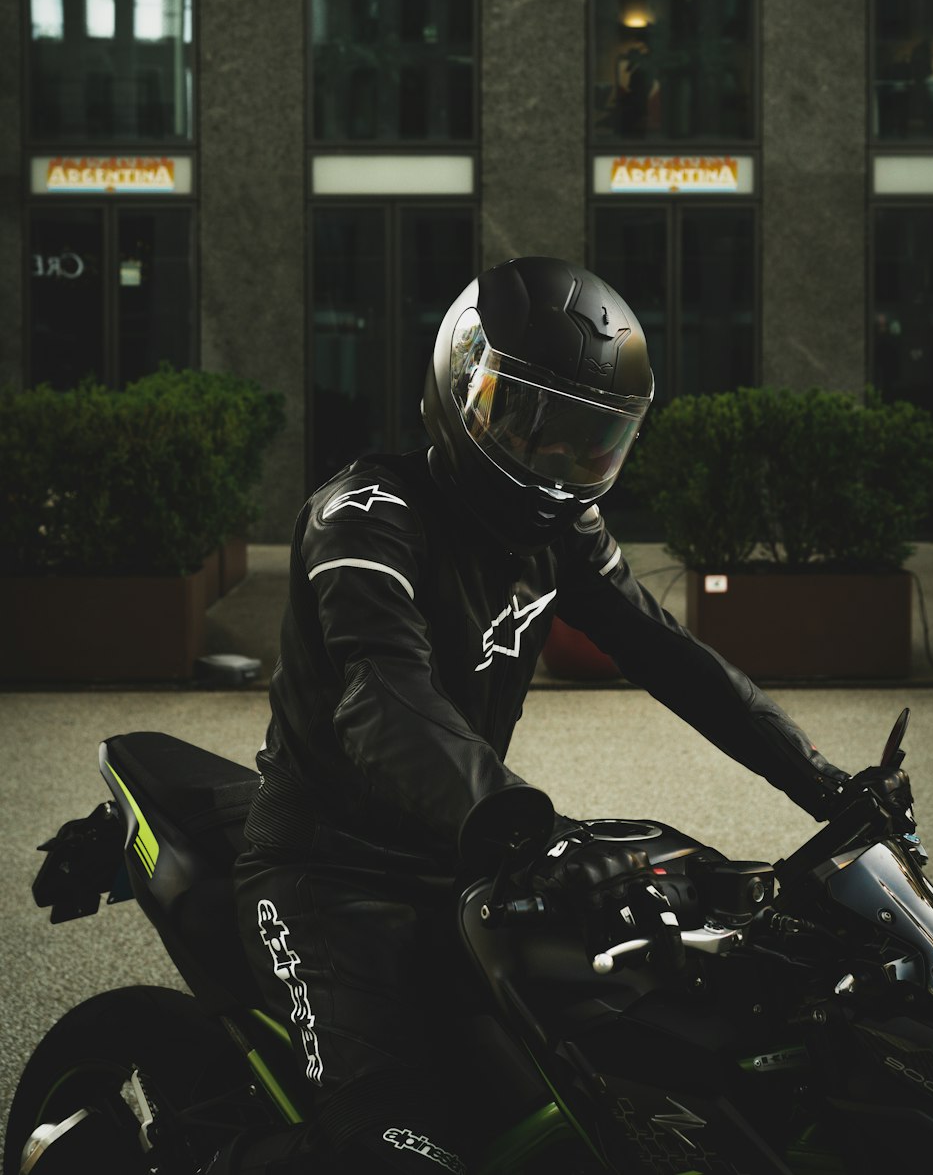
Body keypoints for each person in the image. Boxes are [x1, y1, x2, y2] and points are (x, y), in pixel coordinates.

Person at [224, 255, 859, 1174]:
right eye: (536, 429)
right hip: (329, 874)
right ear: (465, 390)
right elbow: (383, 697)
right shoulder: (365, 517)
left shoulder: (560, 529)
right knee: (388, 1144)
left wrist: (827, 786)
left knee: (604, 1094)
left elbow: (668, 654)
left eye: (592, 440)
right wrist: (528, 822)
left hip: (470, 864)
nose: (562, 465)